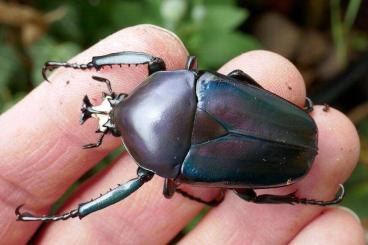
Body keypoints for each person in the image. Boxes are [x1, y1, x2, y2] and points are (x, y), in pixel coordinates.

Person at [0, 25, 364, 244]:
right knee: (236, 76)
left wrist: (70, 214)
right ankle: (299, 195)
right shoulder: (176, 80)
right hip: (290, 128)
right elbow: (158, 64)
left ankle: (298, 199)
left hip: (279, 151)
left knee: (247, 196)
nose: (113, 106)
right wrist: (84, 67)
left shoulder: (159, 166)